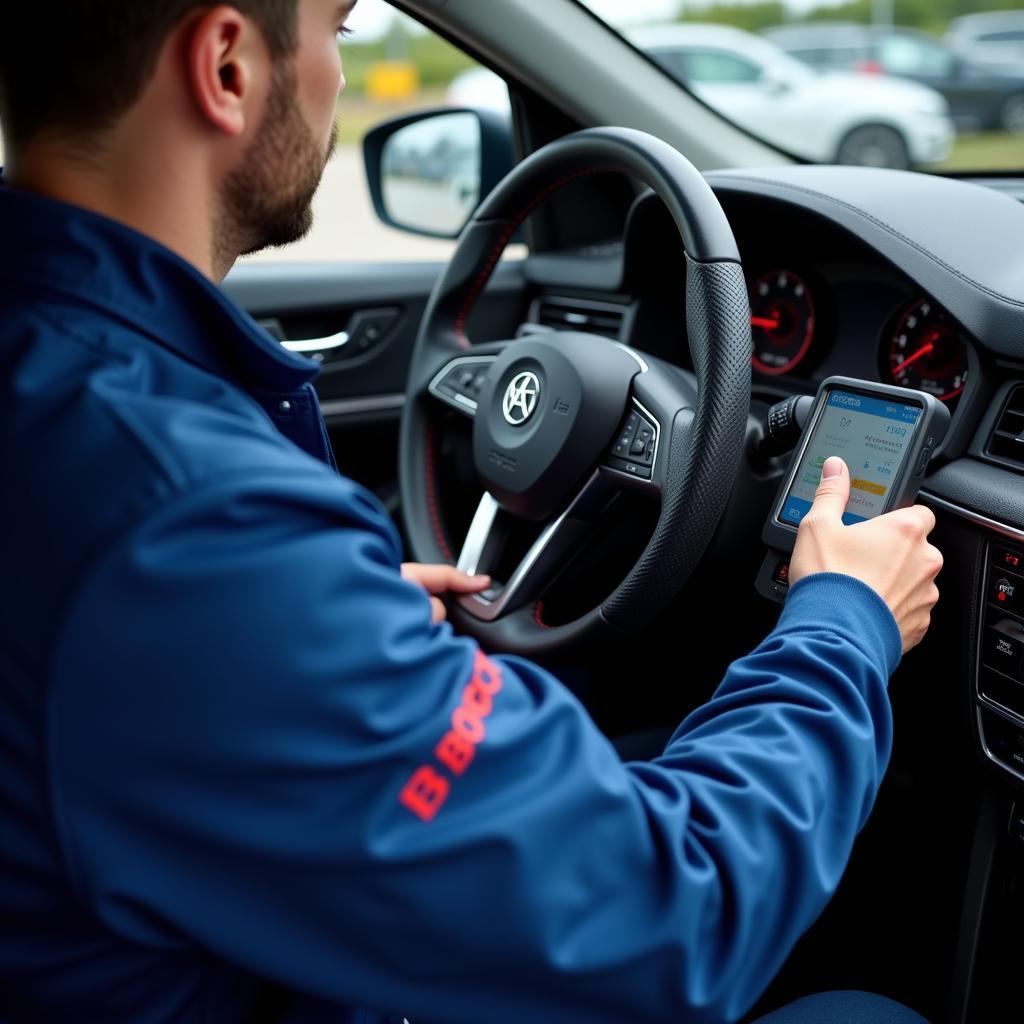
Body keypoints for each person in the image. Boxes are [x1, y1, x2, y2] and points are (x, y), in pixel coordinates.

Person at [0, 2, 942, 1022]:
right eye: (337, 32)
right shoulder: (186, 527)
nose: (336, 80)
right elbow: (673, 913)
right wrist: (842, 620)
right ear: (227, 65)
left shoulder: (69, 405)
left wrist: (334, 617)